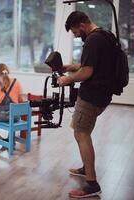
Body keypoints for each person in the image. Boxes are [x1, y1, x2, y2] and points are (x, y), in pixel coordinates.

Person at [57, 11, 114, 198]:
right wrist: (68, 67)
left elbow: (87, 72)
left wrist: (68, 79)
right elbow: (89, 65)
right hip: (102, 94)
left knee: (82, 134)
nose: (75, 35)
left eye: (75, 32)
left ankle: (92, 184)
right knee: (82, 132)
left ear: (82, 25)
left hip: (92, 96)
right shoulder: (104, 35)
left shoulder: (92, 40)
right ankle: (85, 167)